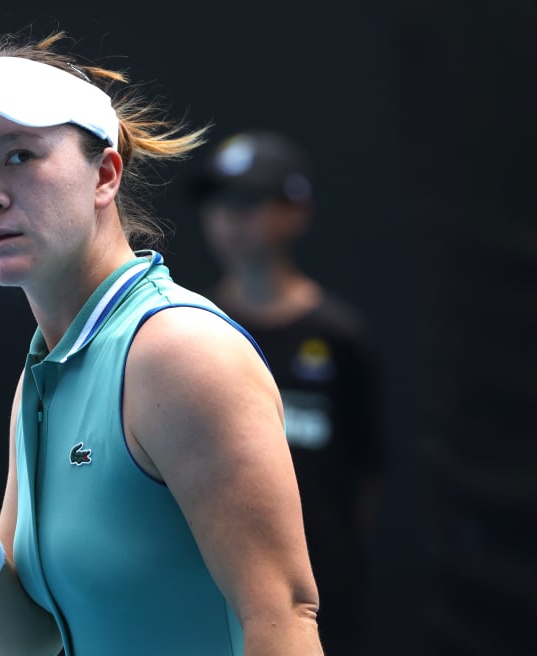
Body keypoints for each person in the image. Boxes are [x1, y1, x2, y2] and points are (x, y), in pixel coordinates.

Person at [0, 29, 325, 656]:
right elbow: (25, 644)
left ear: (105, 174)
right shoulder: (44, 371)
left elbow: (283, 619)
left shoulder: (180, 352)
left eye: (18, 155)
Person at [186, 130, 388, 655]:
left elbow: (366, 472)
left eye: (249, 201)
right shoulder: (188, 331)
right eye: (219, 200)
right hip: (214, 593)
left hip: (323, 599)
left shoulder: (341, 338)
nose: (230, 217)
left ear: (296, 211)